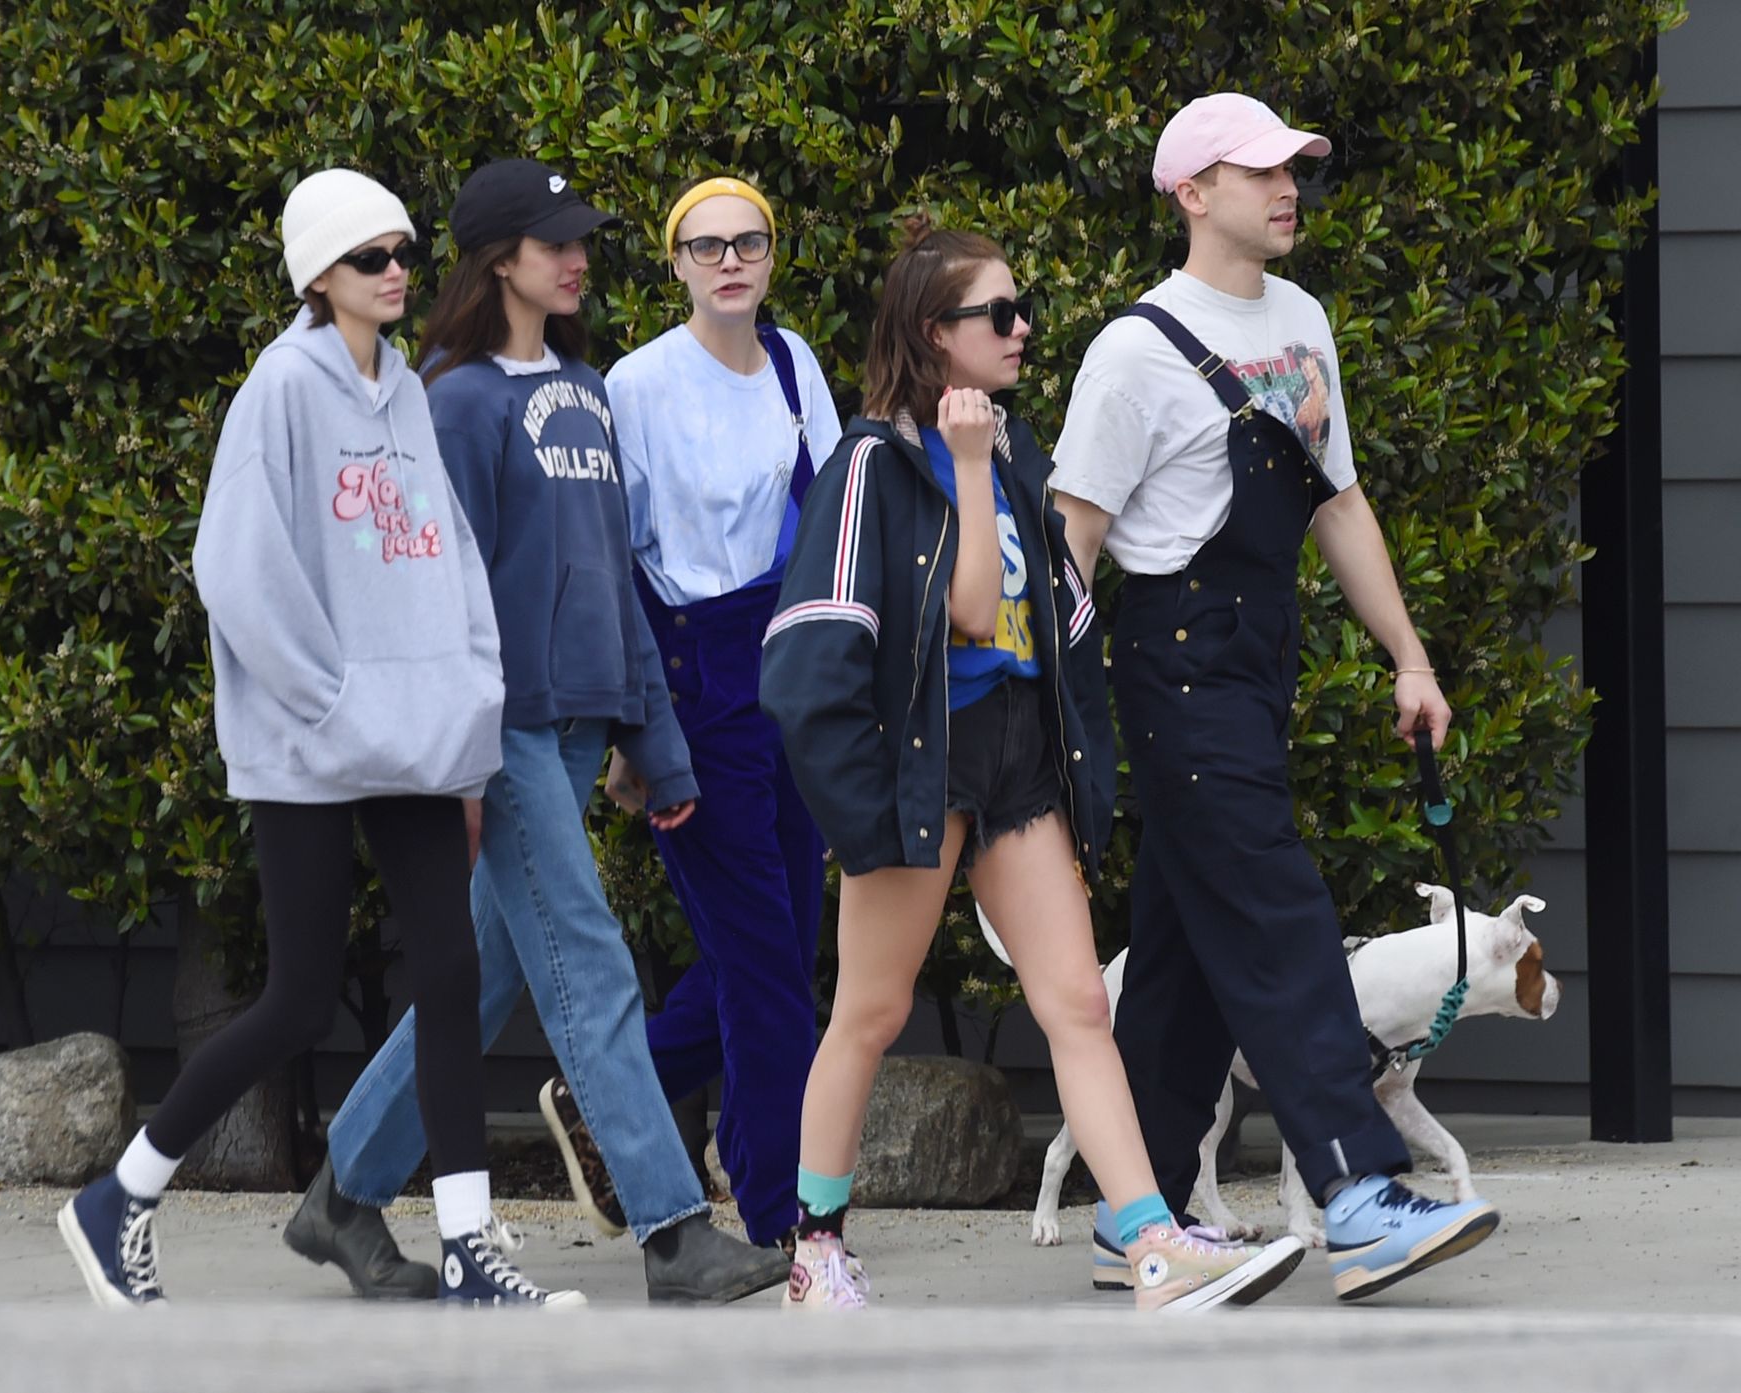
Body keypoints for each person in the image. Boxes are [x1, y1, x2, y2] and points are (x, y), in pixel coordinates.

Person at [758, 218, 1306, 1312]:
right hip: (920, 766)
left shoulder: (1015, 453)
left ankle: (1149, 1243)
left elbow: (1054, 619)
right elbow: (947, 616)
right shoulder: (875, 462)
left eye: (1022, 310)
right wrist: (966, 466)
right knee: (870, 1010)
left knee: (1079, 1005)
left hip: (1016, 757)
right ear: (935, 332)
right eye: (998, 313)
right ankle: (814, 1248)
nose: (1021, 330)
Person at [59, 168, 579, 1308]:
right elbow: (235, 568)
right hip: (310, 739)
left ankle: (468, 1247)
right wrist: (332, 699)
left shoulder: (406, 390)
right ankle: (120, 1196)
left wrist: (469, 695)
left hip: (415, 736)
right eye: (369, 258)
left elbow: (449, 559)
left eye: (402, 253)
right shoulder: (282, 389)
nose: (396, 273)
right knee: (298, 997)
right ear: (317, 277)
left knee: (451, 971)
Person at [282, 159, 792, 1306]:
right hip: (498, 727)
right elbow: (430, 591)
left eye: (581, 240)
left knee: (488, 976)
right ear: (498, 259)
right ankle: (672, 1229)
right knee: (591, 959)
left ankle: (340, 1195)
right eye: (554, 242)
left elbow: (612, 577)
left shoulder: (583, 388)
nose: (577, 258)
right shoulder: (453, 401)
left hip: (574, 726)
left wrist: (653, 742)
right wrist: (455, 757)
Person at [1049, 93, 1500, 1303]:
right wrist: (1056, 718)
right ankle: (1360, 1192)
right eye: (1259, 172)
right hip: (1175, 664)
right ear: (1192, 194)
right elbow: (1071, 540)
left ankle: (1132, 1210)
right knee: (1278, 909)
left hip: (1260, 664)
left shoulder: (1301, 320)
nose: (1288, 186)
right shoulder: (1134, 351)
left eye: (1294, 167)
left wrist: (1410, 657)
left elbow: (1338, 502)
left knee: (1191, 945)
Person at [565, 174, 842, 1253]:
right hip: (695, 675)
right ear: (675, 262)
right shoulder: (636, 384)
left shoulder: (794, 361)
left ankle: (606, 1096)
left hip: (790, 671)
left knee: (775, 948)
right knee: (765, 968)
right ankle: (779, 1214)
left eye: (749, 242)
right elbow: (615, 560)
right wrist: (642, 726)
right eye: (707, 245)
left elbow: (828, 517)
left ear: (773, 254)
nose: (731, 262)